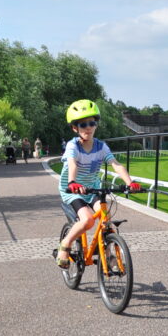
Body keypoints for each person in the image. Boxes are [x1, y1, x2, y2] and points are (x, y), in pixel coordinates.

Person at [56, 99, 140, 268]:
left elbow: (115, 164)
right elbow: (72, 163)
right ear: (75, 128)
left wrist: (130, 183)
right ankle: (64, 245)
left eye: (91, 123)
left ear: (96, 125)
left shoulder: (101, 146)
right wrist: (72, 182)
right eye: (83, 124)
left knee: (106, 219)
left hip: (93, 188)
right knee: (87, 221)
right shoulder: (73, 146)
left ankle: (108, 256)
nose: (88, 127)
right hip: (73, 191)